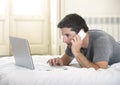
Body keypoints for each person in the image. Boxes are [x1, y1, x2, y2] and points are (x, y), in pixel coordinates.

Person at [47, 13, 120, 69]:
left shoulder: (101, 41)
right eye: (63, 36)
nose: (64, 40)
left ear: (80, 32)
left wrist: (77, 52)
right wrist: (58, 61)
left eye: (67, 35)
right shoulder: (74, 42)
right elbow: (65, 61)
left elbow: (100, 70)